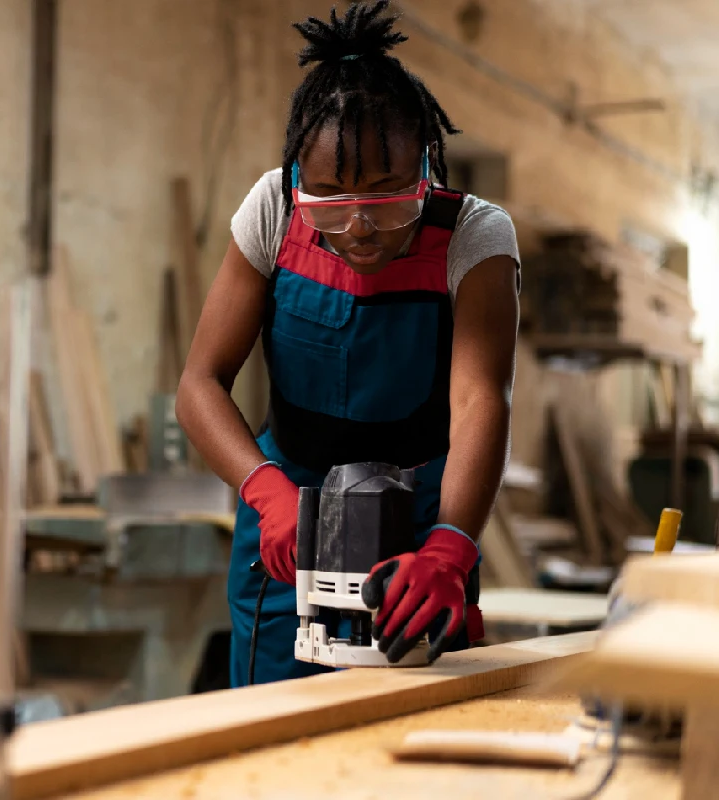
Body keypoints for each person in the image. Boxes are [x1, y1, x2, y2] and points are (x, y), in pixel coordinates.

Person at [176, 0, 520, 687]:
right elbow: (200, 384)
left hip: (421, 520)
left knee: (410, 725)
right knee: (268, 738)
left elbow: (481, 398)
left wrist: (450, 548)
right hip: (288, 517)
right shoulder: (272, 210)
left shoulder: (475, 237)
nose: (360, 227)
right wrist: (266, 493)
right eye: (329, 201)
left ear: (427, 166)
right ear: (298, 180)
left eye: (389, 199)